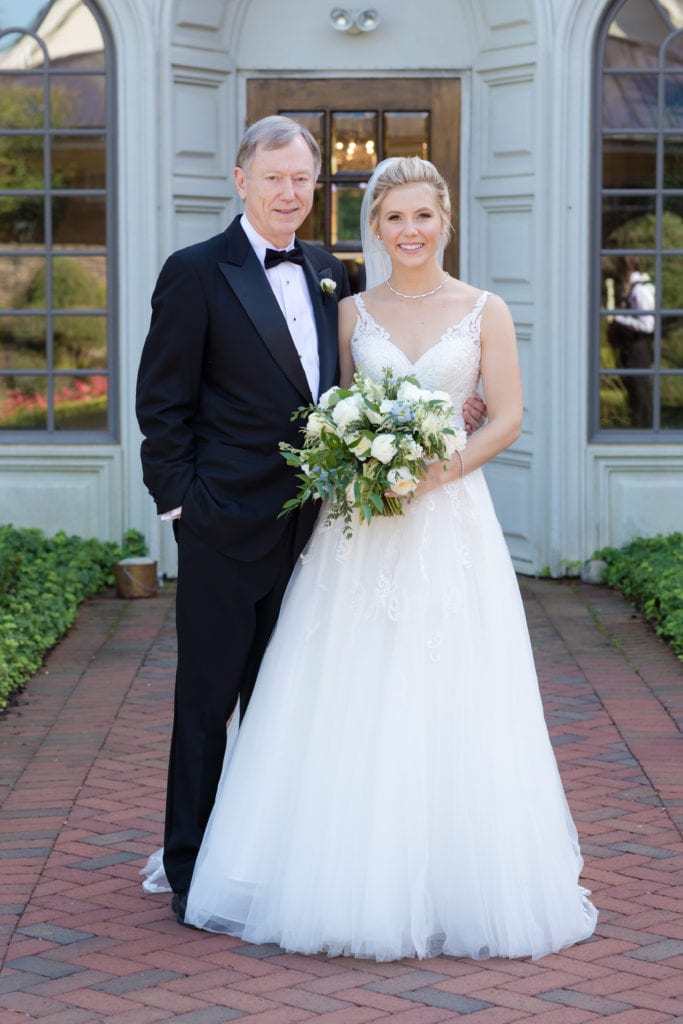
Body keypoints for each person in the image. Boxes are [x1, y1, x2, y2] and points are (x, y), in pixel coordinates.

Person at [171, 156, 598, 961]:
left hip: (448, 520)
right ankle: (330, 867)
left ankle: (449, 874)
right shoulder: (349, 310)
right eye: (393, 218)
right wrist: (360, 464)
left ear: (445, 221)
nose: (409, 232)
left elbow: (504, 418)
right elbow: (326, 407)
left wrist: (436, 470)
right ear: (376, 227)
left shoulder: (484, 311)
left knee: (451, 687)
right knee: (347, 683)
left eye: (422, 217)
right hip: (359, 527)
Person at [136, 119, 486, 927]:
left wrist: (445, 413)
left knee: (287, 697)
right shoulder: (194, 273)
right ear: (241, 181)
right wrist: (182, 501)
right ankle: (192, 865)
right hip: (224, 521)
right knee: (207, 700)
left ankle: (263, 852)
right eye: (275, 179)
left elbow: (364, 381)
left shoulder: (332, 272)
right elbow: (161, 402)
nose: (291, 193)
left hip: (324, 526)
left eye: (303, 180)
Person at [608, 255, 655, 428]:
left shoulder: (640, 291)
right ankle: (638, 425)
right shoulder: (631, 289)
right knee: (635, 393)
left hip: (639, 350)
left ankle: (646, 427)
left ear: (627, 268)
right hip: (630, 350)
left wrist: (621, 319)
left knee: (641, 392)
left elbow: (648, 324)